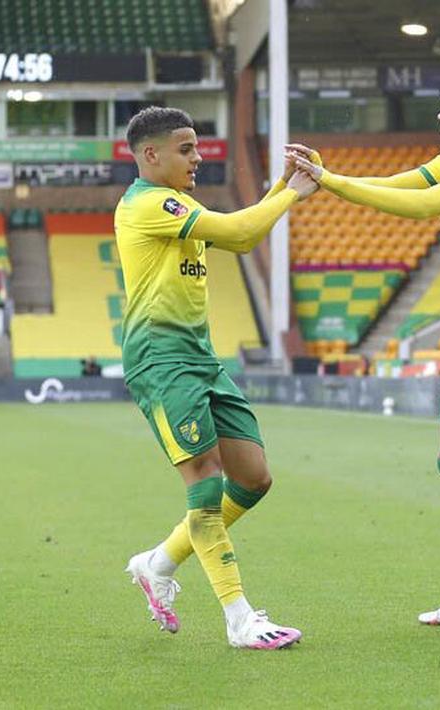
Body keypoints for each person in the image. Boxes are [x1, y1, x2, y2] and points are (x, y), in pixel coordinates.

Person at [291, 65, 440, 630]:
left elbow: (420, 207)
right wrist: (331, 175)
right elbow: (403, 185)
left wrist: (327, 184)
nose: (439, 113)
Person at [116, 106, 317, 650]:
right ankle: (239, 618)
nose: (198, 157)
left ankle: (158, 563)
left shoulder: (178, 205)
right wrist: (292, 193)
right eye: (186, 149)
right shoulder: (147, 204)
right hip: (161, 361)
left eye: (197, 147)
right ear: (150, 154)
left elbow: (239, 229)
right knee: (205, 486)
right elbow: (241, 233)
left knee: (253, 478)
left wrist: (281, 184)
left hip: (200, 358)